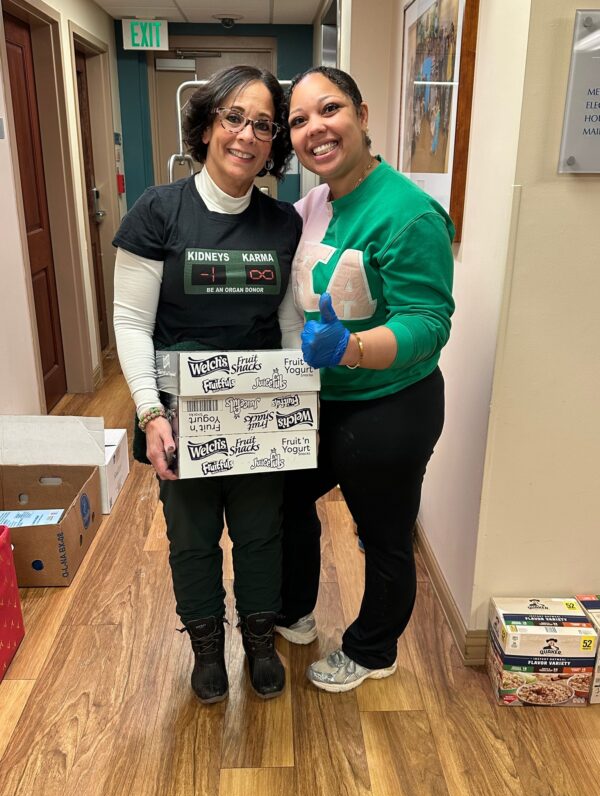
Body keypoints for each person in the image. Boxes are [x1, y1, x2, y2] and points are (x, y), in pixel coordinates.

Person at [113, 66, 302, 703]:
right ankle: (206, 647)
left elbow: (285, 322)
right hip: (177, 411)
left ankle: (257, 641)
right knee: (191, 538)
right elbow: (132, 321)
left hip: (257, 415)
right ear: (207, 124)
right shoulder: (157, 211)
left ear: (273, 140)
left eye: (263, 124)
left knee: (260, 534)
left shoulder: (282, 224)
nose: (247, 135)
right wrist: (148, 411)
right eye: (234, 118)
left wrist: (297, 403)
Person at [274, 67, 455, 692]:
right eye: (299, 120)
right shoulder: (317, 201)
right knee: (287, 501)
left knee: (381, 534)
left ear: (362, 113)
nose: (315, 129)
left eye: (329, 110)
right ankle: (294, 609)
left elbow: (429, 323)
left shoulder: (408, 214)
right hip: (320, 401)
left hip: (389, 405)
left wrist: (351, 348)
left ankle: (374, 649)